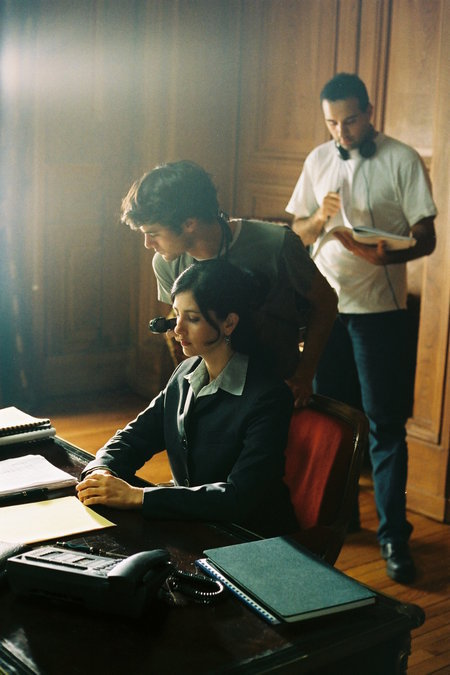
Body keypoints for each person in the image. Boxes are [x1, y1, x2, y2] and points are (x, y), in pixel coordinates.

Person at [286, 72, 437, 583]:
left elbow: (427, 237)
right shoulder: (317, 159)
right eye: (332, 122)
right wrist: (320, 221)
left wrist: (388, 252)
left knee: (385, 426)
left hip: (380, 313)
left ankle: (394, 536)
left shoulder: (402, 159)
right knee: (335, 416)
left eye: (350, 120)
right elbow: (296, 233)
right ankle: (339, 518)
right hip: (326, 309)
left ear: (369, 111)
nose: (341, 132)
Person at [77, 259, 298, 537]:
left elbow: (239, 498)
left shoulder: (268, 396)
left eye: (192, 319)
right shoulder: (186, 371)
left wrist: (138, 497)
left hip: (249, 537)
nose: (177, 330)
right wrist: (102, 470)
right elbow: (135, 437)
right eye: (177, 315)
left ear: (229, 323)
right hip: (195, 523)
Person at [120, 160, 337, 408]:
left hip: (277, 389)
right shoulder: (165, 263)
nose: (148, 244)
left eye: (154, 233)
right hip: (212, 395)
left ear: (189, 223)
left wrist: (304, 375)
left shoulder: (277, 244)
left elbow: (326, 303)